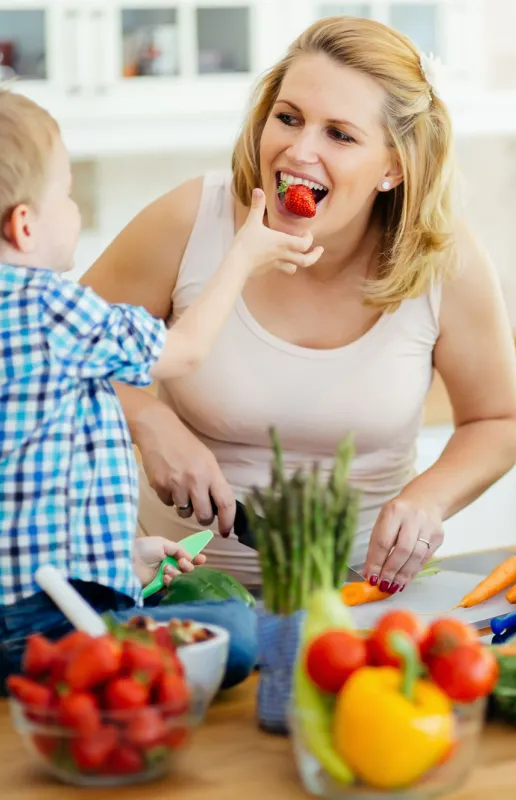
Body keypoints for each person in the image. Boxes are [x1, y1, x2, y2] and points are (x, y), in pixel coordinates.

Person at [81, 16, 516, 597]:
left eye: (339, 134)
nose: (299, 149)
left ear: (394, 166)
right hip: (174, 596)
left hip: (355, 601)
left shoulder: (443, 258)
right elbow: (49, 348)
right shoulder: (190, 222)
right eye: (288, 118)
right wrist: (149, 419)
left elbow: (497, 423)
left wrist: (426, 498)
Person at [0, 88, 321, 687]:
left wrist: (120, 560)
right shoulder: (52, 308)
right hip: (60, 622)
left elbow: (25, 495)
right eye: (67, 195)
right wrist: (243, 255)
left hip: (22, 606)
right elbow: (184, 350)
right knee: (236, 628)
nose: (74, 210)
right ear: (23, 225)